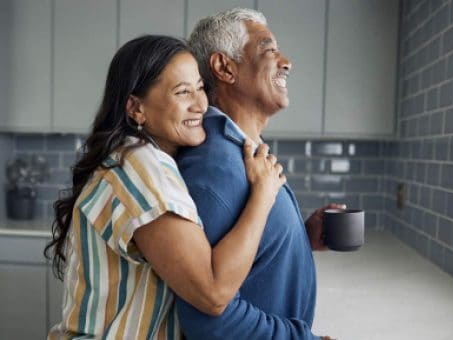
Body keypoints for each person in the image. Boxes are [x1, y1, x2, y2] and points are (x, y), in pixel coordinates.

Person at [44, 35, 287, 339]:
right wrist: (263, 195)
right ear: (136, 108)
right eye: (182, 92)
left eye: (200, 87)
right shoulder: (141, 167)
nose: (200, 103)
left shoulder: (139, 159)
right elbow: (213, 292)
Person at [176, 8, 342, 340]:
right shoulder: (216, 167)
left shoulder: (242, 150)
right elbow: (210, 323)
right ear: (225, 68)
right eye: (268, 50)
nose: (286, 62)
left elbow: (245, 257)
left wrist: (299, 237)